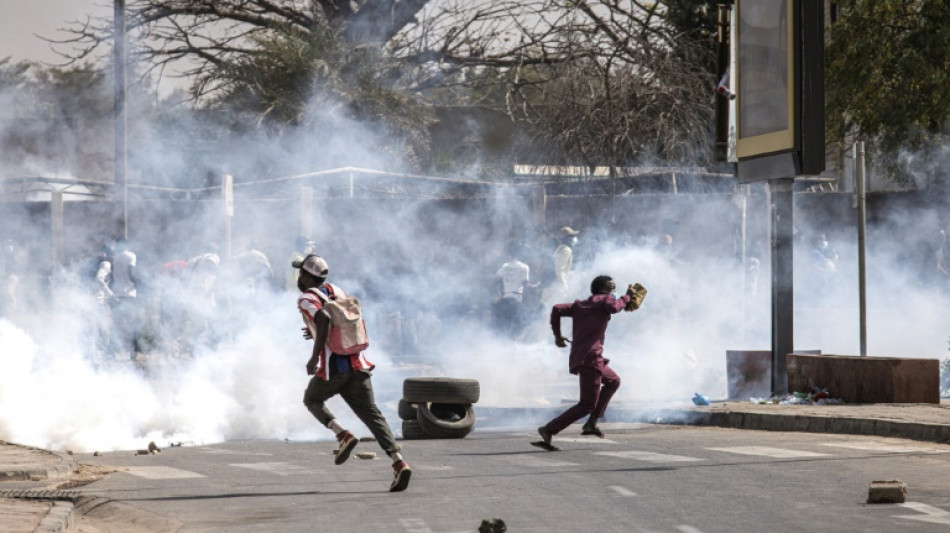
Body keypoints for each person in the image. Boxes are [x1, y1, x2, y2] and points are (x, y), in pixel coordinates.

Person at [293, 253, 411, 492]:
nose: (298, 276)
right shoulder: (338, 291)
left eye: (300, 272)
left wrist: (314, 357)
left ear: (306, 276)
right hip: (358, 365)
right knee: (372, 415)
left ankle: (343, 435)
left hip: (334, 369)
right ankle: (399, 463)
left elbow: (324, 318)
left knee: (312, 399)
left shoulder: (306, 298)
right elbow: (338, 321)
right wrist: (315, 331)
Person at [537, 275, 639, 445]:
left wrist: (558, 336)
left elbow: (556, 308)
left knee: (613, 381)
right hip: (592, 358)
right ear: (609, 290)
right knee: (586, 404)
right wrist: (626, 296)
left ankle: (592, 423)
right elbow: (613, 307)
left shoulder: (579, 305)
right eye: (613, 291)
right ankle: (549, 429)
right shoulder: (607, 300)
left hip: (582, 357)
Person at [492, 242, 535, 335]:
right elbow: (525, 283)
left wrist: (498, 292)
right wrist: (536, 286)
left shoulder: (505, 266)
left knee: (503, 329)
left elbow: (496, 278)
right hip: (515, 300)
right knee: (527, 321)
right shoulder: (524, 267)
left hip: (505, 300)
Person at [110, 239, 141, 359]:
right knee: (134, 323)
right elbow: (130, 273)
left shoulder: (115, 257)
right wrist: (139, 283)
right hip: (129, 294)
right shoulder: (131, 255)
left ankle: (112, 351)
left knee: (116, 324)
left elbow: (113, 276)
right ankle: (133, 352)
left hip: (116, 293)